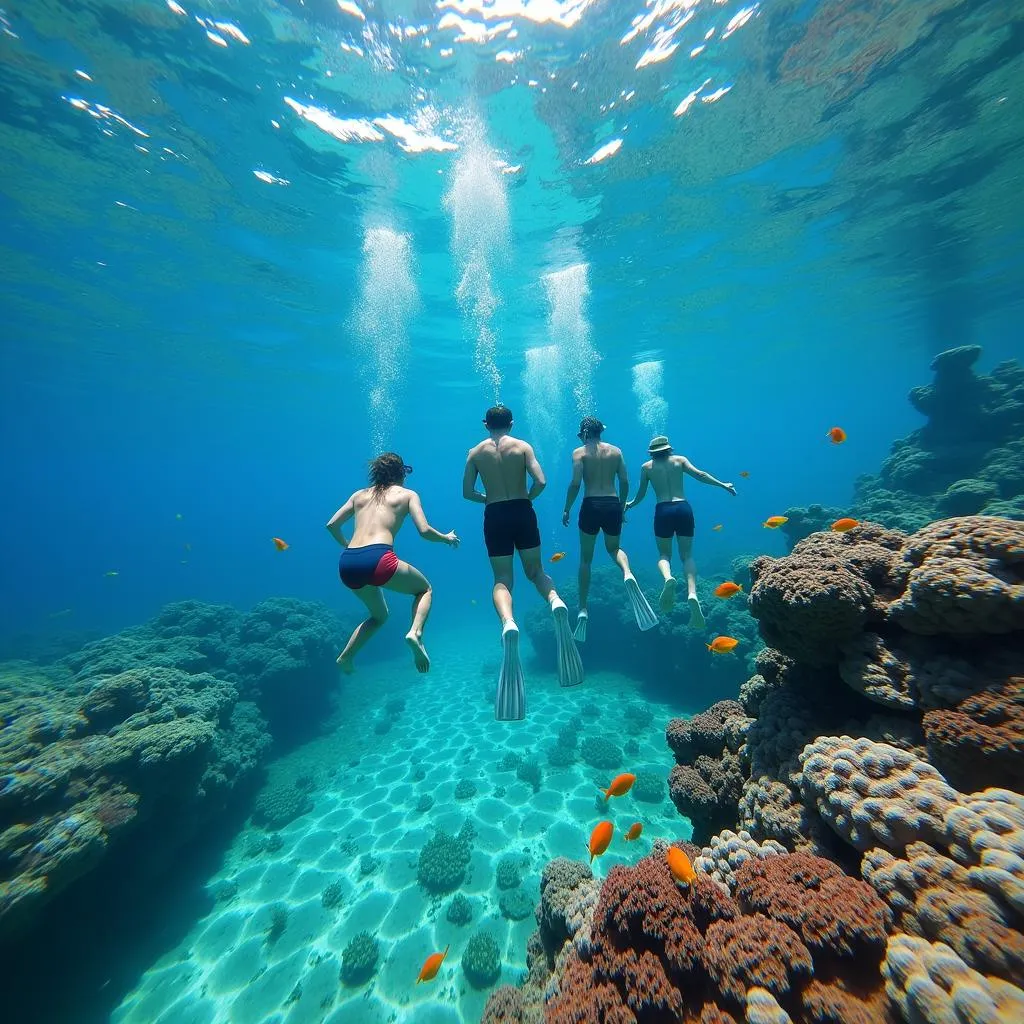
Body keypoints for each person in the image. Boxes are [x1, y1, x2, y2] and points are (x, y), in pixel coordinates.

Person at [463, 404, 584, 721]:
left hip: (495, 514)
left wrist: (489, 499)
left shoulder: (475, 452)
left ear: (485, 423)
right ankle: (555, 600)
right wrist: (525, 499)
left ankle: (508, 623)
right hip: (521, 510)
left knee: (503, 579)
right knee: (536, 571)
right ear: (511, 424)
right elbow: (541, 481)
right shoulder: (523, 446)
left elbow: (466, 492)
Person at [326, 453, 458, 675]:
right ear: (401, 473)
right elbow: (424, 531)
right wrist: (446, 538)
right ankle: (415, 633)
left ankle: (346, 657)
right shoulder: (407, 495)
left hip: (348, 562)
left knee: (379, 616)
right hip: (379, 557)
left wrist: (348, 545)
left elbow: (331, 525)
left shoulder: (359, 495)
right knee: (424, 589)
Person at [561, 416, 658, 640]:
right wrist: (622, 506)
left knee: (586, 559)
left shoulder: (579, 453)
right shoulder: (616, 451)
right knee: (614, 548)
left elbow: (575, 484)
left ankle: (583, 609)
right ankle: (627, 573)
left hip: (591, 505)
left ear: (583, 434)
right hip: (612, 504)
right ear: (601, 431)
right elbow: (624, 481)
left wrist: (567, 508)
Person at [625, 435, 736, 627]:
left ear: (651, 452)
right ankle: (692, 593)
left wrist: (630, 504)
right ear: (669, 449)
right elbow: (700, 475)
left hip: (663, 510)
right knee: (687, 556)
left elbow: (641, 494)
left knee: (664, 554)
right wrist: (723, 485)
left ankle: (668, 578)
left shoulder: (646, 467)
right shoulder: (680, 460)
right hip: (682, 508)